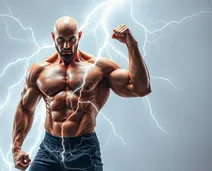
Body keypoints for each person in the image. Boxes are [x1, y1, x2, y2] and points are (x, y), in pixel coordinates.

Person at [12, 16, 151, 171]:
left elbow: (140, 88)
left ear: (79, 36)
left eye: (72, 39)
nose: (66, 45)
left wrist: (132, 45)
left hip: (84, 151)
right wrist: (16, 148)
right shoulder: (39, 71)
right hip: (49, 149)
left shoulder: (99, 68)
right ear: (53, 37)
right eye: (61, 40)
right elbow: (25, 109)